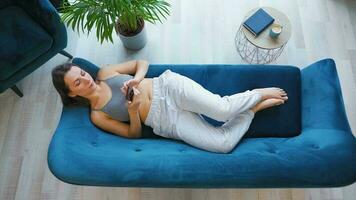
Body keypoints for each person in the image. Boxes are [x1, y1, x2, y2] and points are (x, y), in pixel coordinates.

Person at [52, 60, 288, 153]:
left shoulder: (105, 73)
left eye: (82, 73)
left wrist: (137, 78)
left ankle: (256, 94)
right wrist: (133, 112)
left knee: (222, 110)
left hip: (168, 87)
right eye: (78, 82)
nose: (85, 78)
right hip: (163, 120)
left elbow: (141, 62)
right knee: (222, 145)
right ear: (72, 92)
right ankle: (251, 110)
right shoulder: (98, 116)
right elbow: (132, 135)